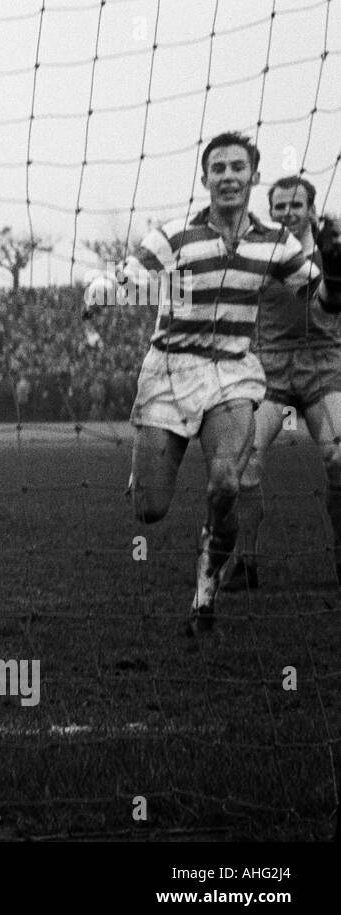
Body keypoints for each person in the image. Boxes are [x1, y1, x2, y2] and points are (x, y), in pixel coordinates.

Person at [83, 132, 326, 637]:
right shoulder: (174, 236)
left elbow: (318, 297)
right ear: (205, 179)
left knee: (225, 483)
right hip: (170, 370)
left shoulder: (274, 243)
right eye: (219, 169)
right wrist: (101, 291)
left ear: (253, 177)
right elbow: (129, 280)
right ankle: (144, 469)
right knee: (149, 510)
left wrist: (337, 273)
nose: (229, 176)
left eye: (239, 167)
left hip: (233, 370)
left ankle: (206, 589)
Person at [222, 176, 341, 589]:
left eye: (296, 205)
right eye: (280, 207)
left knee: (339, 459)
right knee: (244, 460)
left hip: (324, 369)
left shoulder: (332, 254)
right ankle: (245, 562)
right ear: (269, 211)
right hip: (270, 371)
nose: (288, 213)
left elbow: (329, 303)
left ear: (311, 210)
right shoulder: (258, 254)